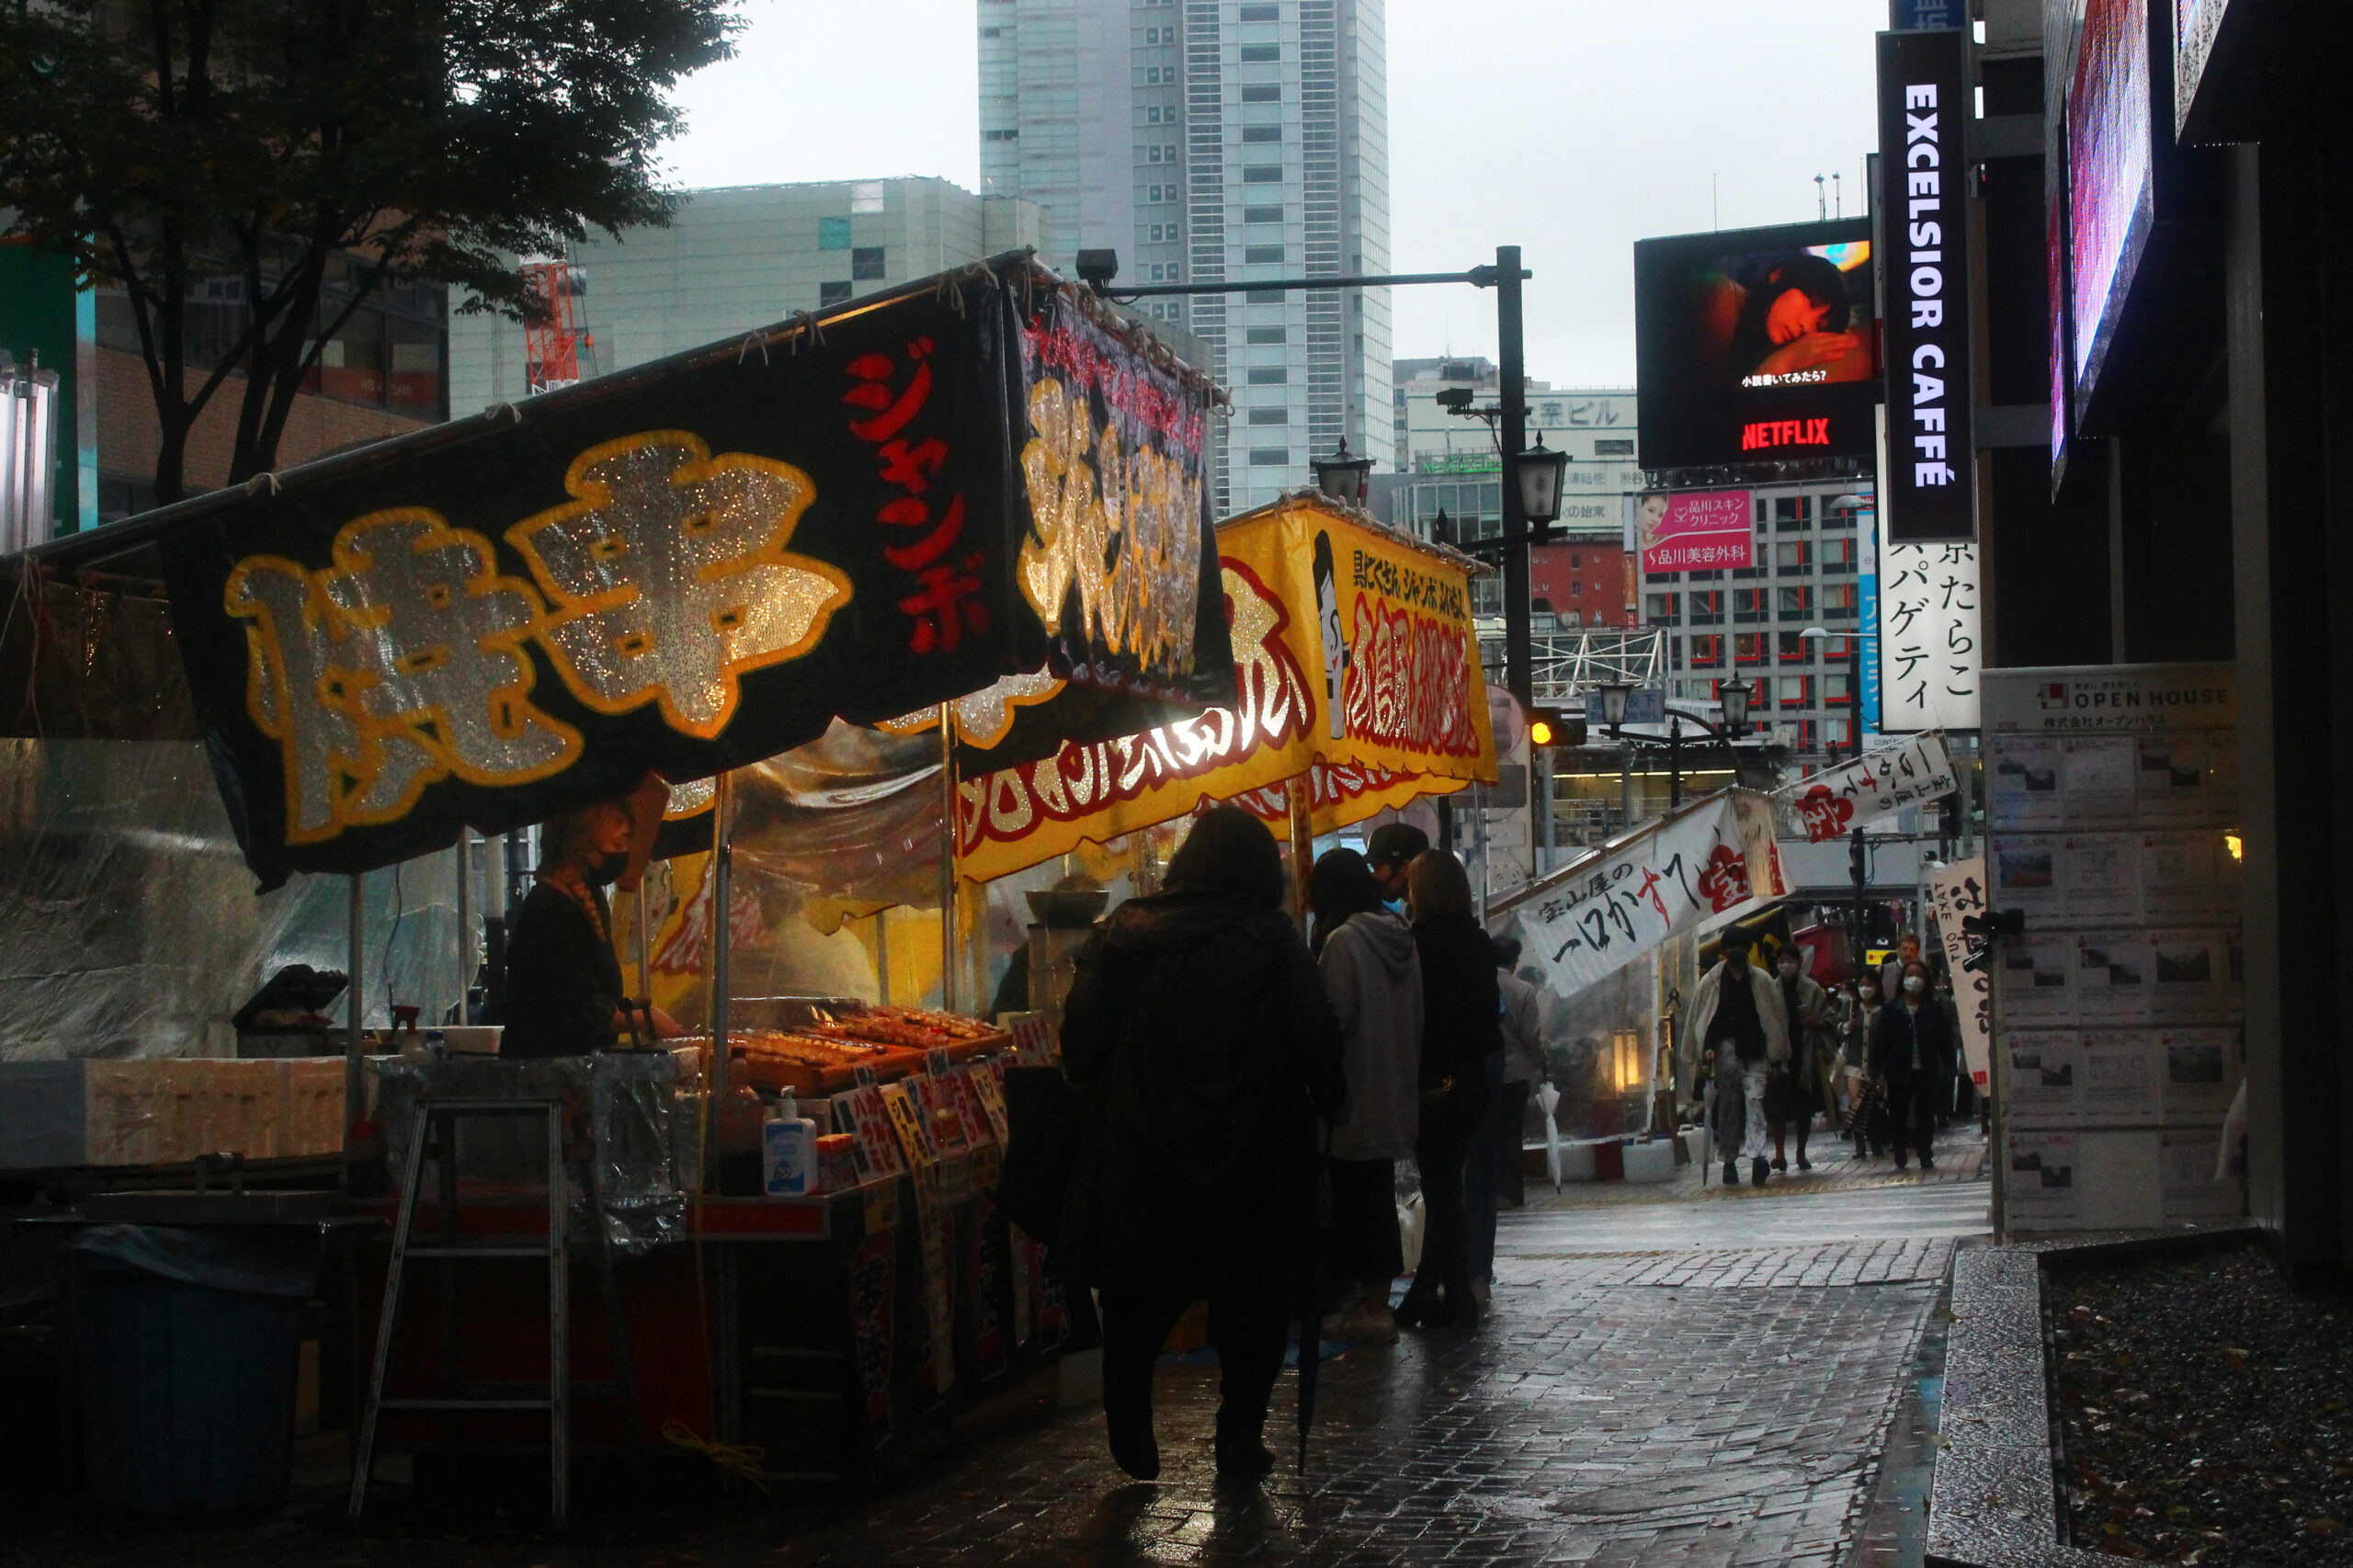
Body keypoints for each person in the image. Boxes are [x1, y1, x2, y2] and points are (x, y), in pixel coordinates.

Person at [1058, 806, 1346, 1482]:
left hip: (1141, 1151)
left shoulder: (1125, 932)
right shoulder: (1275, 940)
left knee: (1139, 1296)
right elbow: (1317, 1041)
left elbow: (1080, 1047)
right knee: (1253, 1302)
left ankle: (1129, 1418)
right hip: (1257, 1155)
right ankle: (1237, 1437)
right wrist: (1332, 1100)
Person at [1308, 848, 1421, 1346]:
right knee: (1374, 1198)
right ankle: (1374, 1302)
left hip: (1353, 1092)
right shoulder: (1401, 938)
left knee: (1360, 1206)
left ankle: (1374, 1309)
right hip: (1392, 1085)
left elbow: (1332, 1024)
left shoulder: (1342, 944)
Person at [1396, 850, 1498, 1332]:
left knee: (1439, 1190)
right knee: (1445, 1189)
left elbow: (1419, 1021)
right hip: (1474, 1076)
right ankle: (1439, 1292)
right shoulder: (1477, 943)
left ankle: (1448, 1294)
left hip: (1433, 1081)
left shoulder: (1415, 946)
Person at [502, 798, 681, 1058]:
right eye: (618, 843)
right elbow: (572, 1007)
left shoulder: (587, 899)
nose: (626, 851)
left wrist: (628, 1010)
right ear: (581, 845)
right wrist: (644, 1020)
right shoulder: (550, 909)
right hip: (545, 1079)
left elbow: (586, 995)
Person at [1682, 939, 1789, 1186]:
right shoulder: (1712, 981)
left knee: (1756, 1102)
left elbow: (1773, 1019)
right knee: (1729, 1106)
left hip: (1756, 1049)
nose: (1736, 952)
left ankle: (1757, 1156)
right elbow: (1707, 1017)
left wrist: (1776, 1057)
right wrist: (1708, 1047)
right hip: (1726, 1049)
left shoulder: (1761, 981)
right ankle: (1729, 1160)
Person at [1868, 959, 1955, 1172]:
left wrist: (1950, 1064)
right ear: (1903, 980)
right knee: (1898, 1113)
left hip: (1926, 1070)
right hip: (1898, 1070)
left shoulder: (1933, 1008)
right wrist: (1876, 1070)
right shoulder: (1891, 1010)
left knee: (1926, 1113)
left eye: (1919, 976)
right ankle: (1899, 1152)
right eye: (1910, 975)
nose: (1914, 980)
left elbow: (1944, 1039)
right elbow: (1880, 1042)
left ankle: (1925, 1153)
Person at [1766, 945, 1832, 1172]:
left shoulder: (1813, 989)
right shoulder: (1770, 989)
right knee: (1778, 1107)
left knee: (1804, 1107)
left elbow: (1829, 1019)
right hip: (1779, 1055)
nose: (1786, 965)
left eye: (1789, 960)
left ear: (1799, 962)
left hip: (1806, 1054)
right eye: (1781, 961)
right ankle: (1779, 1153)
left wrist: (1816, 1022)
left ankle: (1801, 1153)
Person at [1492, 935, 1545, 1211]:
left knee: (1488, 1132)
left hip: (1486, 1072)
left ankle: (1487, 1191)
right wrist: (1538, 1062)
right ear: (1514, 961)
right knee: (1511, 1134)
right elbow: (1532, 1035)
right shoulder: (1523, 991)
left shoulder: (1479, 984)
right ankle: (1510, 1193)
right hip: (1515, 1073)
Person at [1364, 822, 1429, 913]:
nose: (1373, 875)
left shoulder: (1433, 918)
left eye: (1377, 867)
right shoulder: (1416, 912)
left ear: (1406, 868)